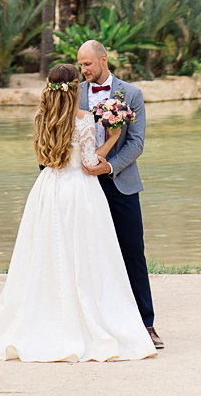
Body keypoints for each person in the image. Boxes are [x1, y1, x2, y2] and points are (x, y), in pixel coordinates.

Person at [0, 62, 157, 363]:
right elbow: (89, 162)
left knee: (48, 255)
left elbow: (46, 157)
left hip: (49, 190)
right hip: (80, 191)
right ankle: (90, 318)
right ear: (75, 87)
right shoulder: (85, 119)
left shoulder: (42, 117)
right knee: (86, 255)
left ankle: (49, 319)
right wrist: (112, 138)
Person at [78, 38, 163, 350]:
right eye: (80, 65)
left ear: (103, 60)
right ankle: (94, 324)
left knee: (133, 252)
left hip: (121, 183)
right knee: (88, 254)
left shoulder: (132, 94)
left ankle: (146, 324)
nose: (83, 70)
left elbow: (136, 142)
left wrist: (110, 166)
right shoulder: (76, 93)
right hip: (83, 185)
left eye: (87, 63)